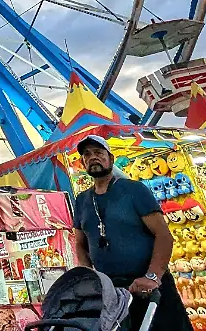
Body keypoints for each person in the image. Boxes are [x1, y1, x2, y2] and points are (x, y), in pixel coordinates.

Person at [73, 134, 191, 331]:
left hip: (150, 287)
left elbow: (163, 235)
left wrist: (153, 276)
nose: (93, 157)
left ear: (111, 159)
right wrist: (91, 277)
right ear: (83, 162)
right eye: (87, 154)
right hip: (112, 293)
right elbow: (80, 243)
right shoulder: (82, 200)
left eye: (98, 152)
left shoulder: (134, 190)